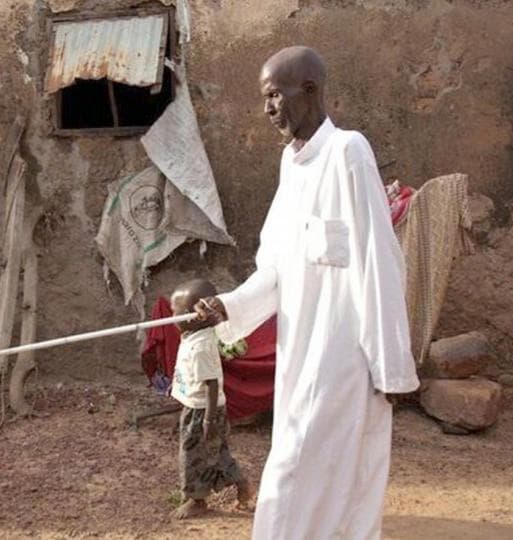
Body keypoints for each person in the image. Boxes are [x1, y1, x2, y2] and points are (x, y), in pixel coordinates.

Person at [194, 46, 419, 539]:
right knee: (303, 476)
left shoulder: (348, 152)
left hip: (347, 363)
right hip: (300, 358)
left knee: (320, 479)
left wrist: (389, 367)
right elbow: (275, 266)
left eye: (275, 95)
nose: (268, 108)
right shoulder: (290, 167)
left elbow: (379, 259)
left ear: (310, 90)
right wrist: (226, 307)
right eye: (264, 98)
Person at [168, 278, 252, 520]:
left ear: (196, 316)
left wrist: (207, 420)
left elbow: (212, 384)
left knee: (192, 456)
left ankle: (197, 500)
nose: (173, 318)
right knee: (216, 452)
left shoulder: (201, 346)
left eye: (177, 313)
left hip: (204, 411)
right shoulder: (193, 336)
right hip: (197, 407)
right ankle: (240, 483)